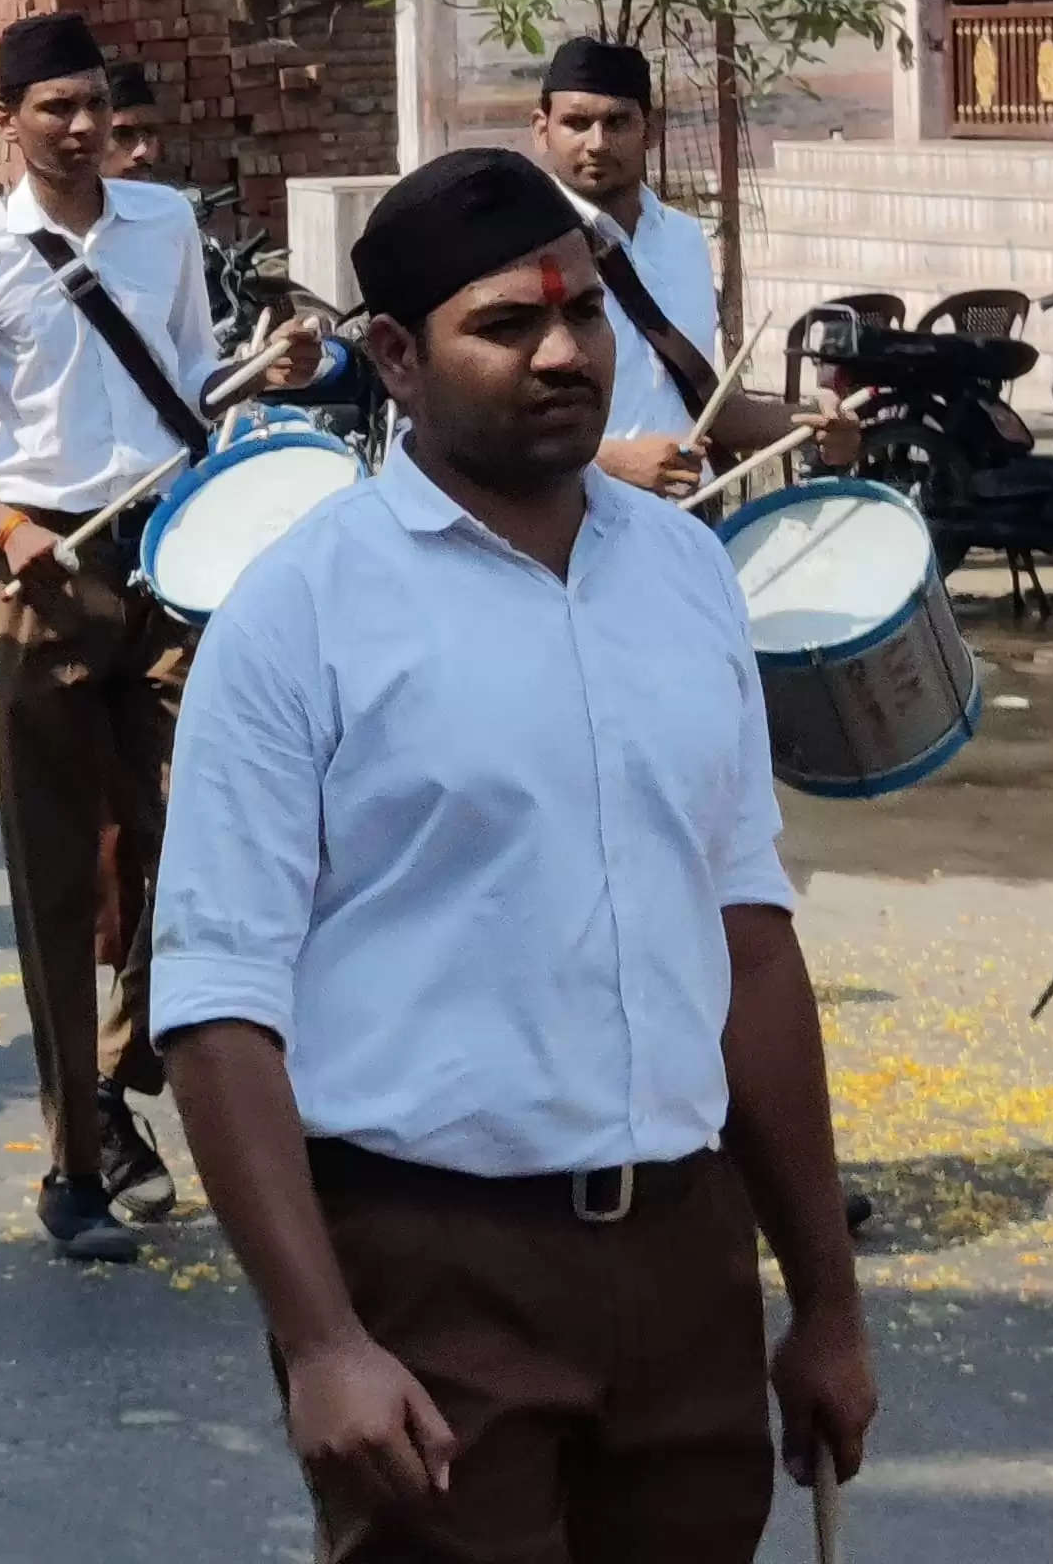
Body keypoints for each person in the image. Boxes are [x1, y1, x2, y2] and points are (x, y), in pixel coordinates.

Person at [155, 147, 873, 1561]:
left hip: (683, 1264)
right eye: (504, 325)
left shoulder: (684, 576)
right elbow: (217, 1010)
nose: (563, 352)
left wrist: (827, 1304)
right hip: (428, 1270)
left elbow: (748, 941)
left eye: (586, 313)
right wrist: (320, 1342)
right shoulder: (299, 614)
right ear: (395, 360)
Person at [0, 10, 320, 1256]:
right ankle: (72, 1170)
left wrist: (268, 373)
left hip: (172, 559)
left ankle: (117, 1075)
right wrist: (6, 531)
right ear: (7, 123)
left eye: (93, 107)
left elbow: (188, 388)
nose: (80, 131)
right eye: (54, 111)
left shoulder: (166, 223)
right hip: (45, 565)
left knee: (205, 837)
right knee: (51, 875)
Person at [529, 39, 842, 497]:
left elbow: (705, 405)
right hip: (574, 528)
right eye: (576, 123)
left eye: (617, 122)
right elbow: (482, 428)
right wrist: (614, 463)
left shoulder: (684, 238)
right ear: (542, 130)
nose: (596, 143)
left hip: (687, 523)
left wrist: (815, 419)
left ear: (650, 130)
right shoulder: (520, 249)